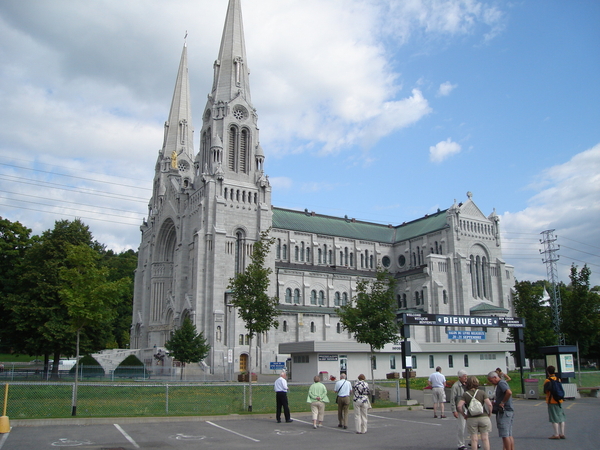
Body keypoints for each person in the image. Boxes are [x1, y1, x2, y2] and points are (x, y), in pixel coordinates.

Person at [457, 376, 493, 450]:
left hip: (471, 418)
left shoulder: (465, 394)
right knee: (485, 438)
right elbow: (489, 404)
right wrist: (489, 413)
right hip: (483, 416)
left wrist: (464, 414)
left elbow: (459, 406)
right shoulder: (482, 392)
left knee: (474, 439)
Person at [487, 371, 514, 450]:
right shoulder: (502, 383)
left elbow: (509, 392)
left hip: (504, 411)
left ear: (495, 377)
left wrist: (502, 402)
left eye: (491, 380)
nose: (491, 382)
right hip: (509, 411)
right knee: (509, 434)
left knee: (505, 435)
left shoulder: (501, 383)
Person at [543, 365, 566, 440]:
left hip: (551, 400)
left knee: (554, 418)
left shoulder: (547, 380)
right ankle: (562, 433)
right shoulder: (558, 379)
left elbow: (545, 391)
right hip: (559, 400)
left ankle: (556, 434)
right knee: (561, 417)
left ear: (548, 372)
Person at [451, 370, 469, 450]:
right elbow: (452, 399)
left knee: (473, 426)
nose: (466, 378)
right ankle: (461, 444)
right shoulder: (455, 386)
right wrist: (454, 410)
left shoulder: (468, 385)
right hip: (461, 409)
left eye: (466, 376)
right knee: (461, 427)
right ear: (459, 377)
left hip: (469, 408)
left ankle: (473, 441)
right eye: (464, 376)